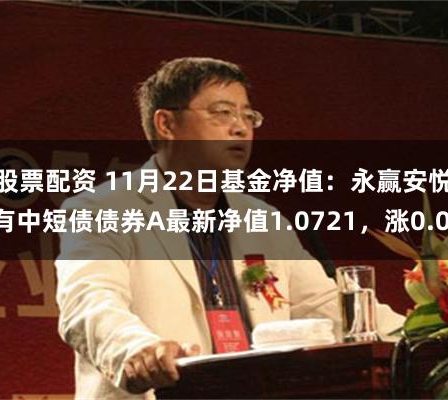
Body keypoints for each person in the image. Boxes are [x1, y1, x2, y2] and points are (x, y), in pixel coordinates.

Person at [56, 57, 403, 399]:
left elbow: (327, 305)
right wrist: (136, 349)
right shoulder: (101, 208)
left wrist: (423, 334)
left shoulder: (263, 219)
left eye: (248, 116)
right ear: (166, 124)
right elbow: (89, 302)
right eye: (222, 113)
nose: (241, 128)